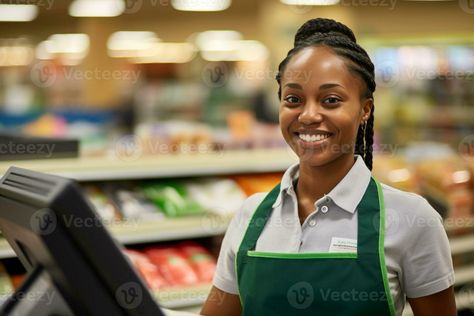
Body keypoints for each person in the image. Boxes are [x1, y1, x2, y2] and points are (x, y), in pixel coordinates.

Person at [201, 18, 456, 316]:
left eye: (331, 100)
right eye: (293, 99)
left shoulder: (411, 219)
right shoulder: (251, 216)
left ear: (365, 109)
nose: (308, 115)